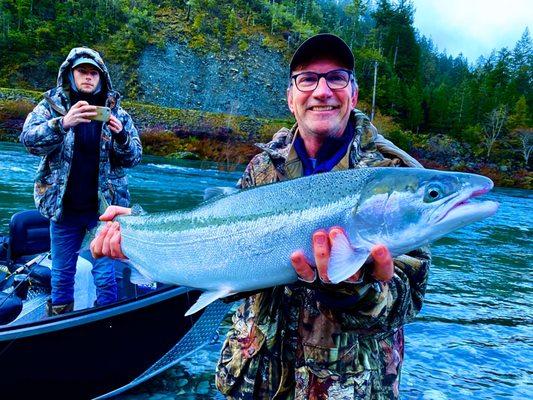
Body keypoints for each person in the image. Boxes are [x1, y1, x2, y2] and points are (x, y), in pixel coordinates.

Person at [91, 34, 430, 399]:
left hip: (341, 388)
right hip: (255, 381)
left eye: (336, 77)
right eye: (307, 79)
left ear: (354, 94)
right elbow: (229, 270)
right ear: (290, 98)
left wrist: (354, 287)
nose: (322, 91)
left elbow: (405, 302)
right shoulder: (263, 167)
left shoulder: (393, 174)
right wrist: (138, 234)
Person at [20, 47, 142, 315]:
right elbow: (28, 140)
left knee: (105, 276)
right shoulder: (51, 106)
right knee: (62, 276)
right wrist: (62, 123)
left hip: (103, 212)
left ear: (101, 77)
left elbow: (134, 157)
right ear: (71, 75)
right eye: (82, 72)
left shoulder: (118, 114)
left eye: (93, 73)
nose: (88, 77)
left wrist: (121, 136)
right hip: (63, 209)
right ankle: (59, 324)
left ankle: (106, 324)